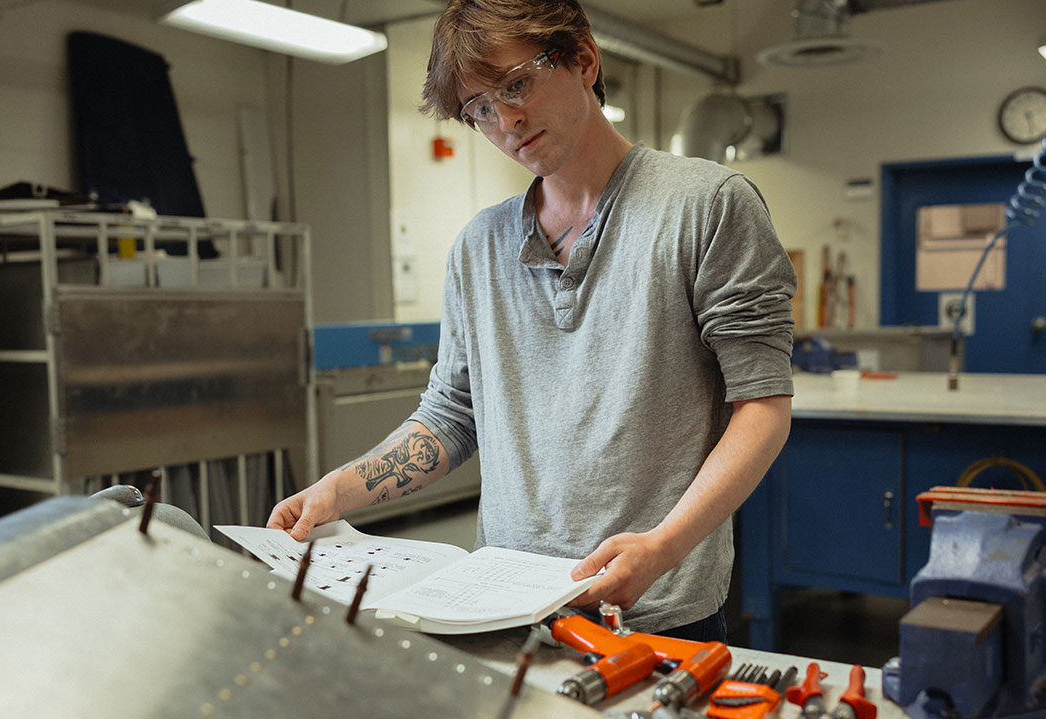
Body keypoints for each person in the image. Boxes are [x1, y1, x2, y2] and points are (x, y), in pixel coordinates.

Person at [268, 0, 796, 641]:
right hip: (503, 604)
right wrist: (338, 491)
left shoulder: (705, 207)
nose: (505, 120)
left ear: (583, 59)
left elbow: (762, 406)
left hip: (655, 611)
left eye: (515, 84)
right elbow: (452, 416)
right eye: (479, 109)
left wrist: (664, 546)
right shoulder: (477, 247)